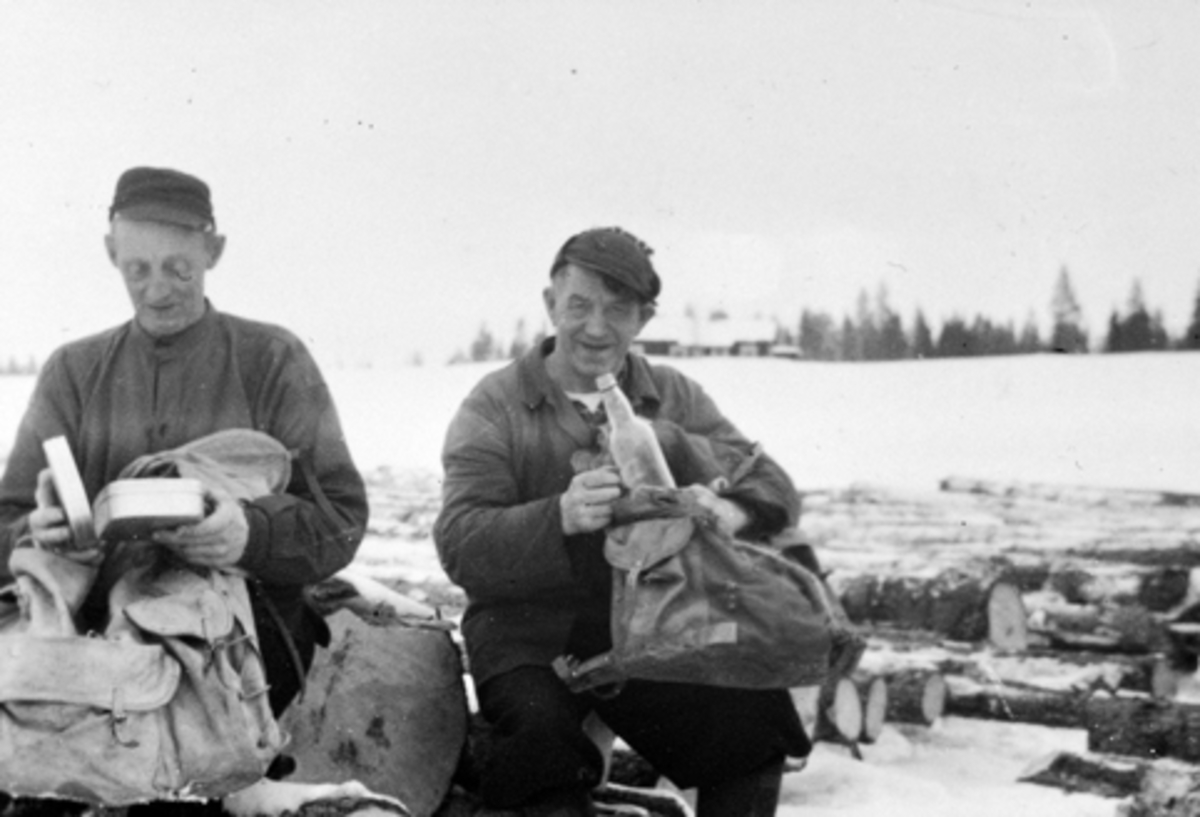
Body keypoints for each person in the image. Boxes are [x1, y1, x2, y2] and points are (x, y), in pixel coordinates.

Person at [434, 227, 810, 817]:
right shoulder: (496, 403)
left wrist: (726, 502)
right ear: (550, 303)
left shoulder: (669, 395)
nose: (596, 327)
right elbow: (460, 544)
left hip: (647, 624)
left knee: (751, 724)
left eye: (618, 309)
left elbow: (771, 483)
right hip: (529, 630)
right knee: (541, 746)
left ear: (645, 318)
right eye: (579, 305)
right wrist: (557, 516)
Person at [0, 166, 368, 725]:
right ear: (110, 253)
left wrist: (249, 536)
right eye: (137, 269)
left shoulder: (272, 359)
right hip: (94, 620)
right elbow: (9, 516)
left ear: (214, 251)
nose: (157, 289)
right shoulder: (72, 372)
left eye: (179, 268)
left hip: (237, 625)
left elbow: (339, 518)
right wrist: (39, 534)